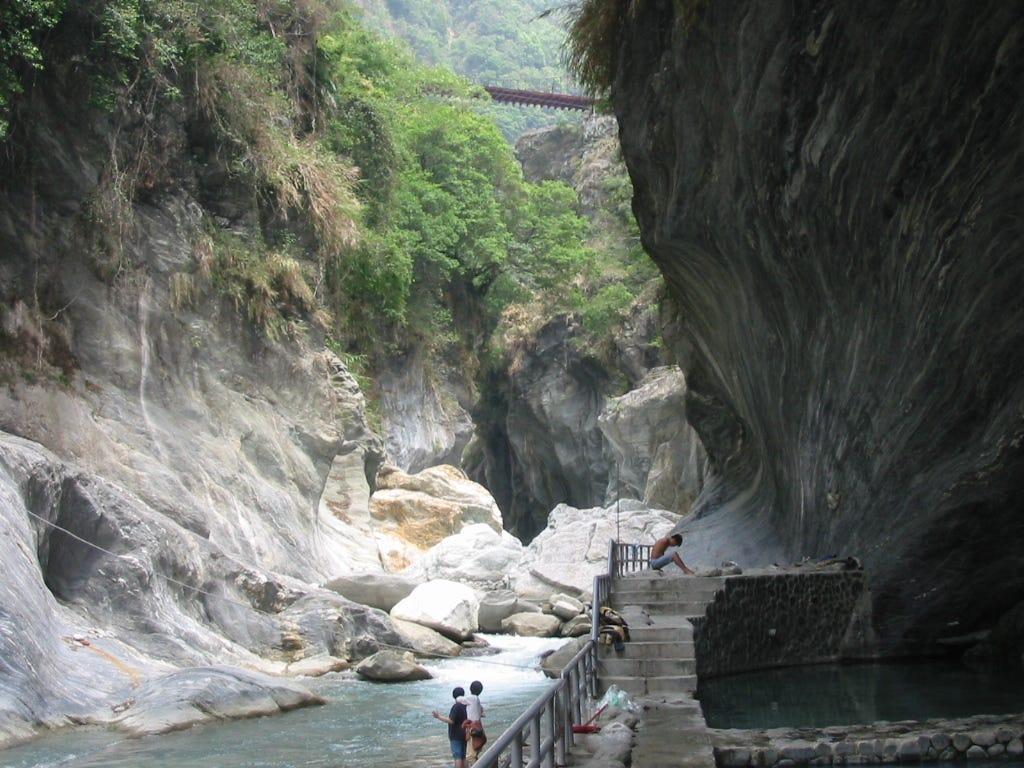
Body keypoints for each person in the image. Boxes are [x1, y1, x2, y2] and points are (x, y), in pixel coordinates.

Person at [432, 687, 468, 768]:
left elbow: (451, 720)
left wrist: (438, 716)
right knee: (464, 756)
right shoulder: (466, 705)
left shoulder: (456, 706)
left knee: (457, 757)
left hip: (455, 736)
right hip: (465, 734)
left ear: (454, 696)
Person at [459, 680, 486, 765]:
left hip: (473, 729)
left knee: (470, 756)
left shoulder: (472, 698)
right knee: (474, 753)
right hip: (478, 727)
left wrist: (457, 696)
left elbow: (459, 699)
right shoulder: (477, 700)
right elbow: (482, 712)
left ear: (470, 688)